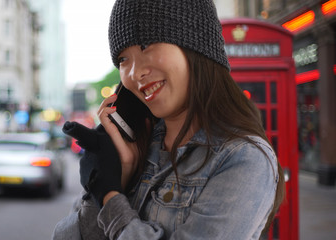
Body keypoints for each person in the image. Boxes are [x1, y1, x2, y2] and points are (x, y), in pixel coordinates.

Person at [53, 0, 285, 239]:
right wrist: (111, 180)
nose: (134, 73)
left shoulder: (244, 159)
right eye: (123, 59)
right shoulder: (140, 147)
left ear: (196, 44)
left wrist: (110, 197)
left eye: (146, 45)